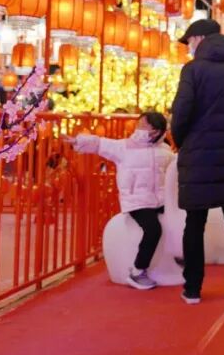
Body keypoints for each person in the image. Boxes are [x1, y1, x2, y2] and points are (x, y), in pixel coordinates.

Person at [170, 19, 224, 304]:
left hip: (198, 157)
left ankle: (193, 288)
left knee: (195, 223)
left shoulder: (193, 70)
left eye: (189, 41)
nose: (189, 47)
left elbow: (180, 114)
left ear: (199, 39)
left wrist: (183, 142)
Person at [70, 111, 174, 290]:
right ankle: (138, 271)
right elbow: (100, 144)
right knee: (153, 229)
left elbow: (174, 168)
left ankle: (176, 263)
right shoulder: (124, 147)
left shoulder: (164, 150)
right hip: (137, 201)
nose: (138, 128)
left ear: (156, 130)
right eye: (139, 124)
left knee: (182, 220)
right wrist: (78, 141)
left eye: (143, 125)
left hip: (161, 200)